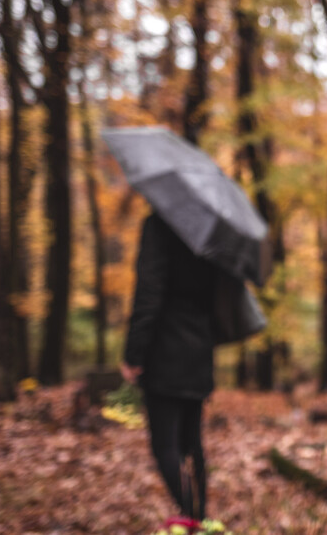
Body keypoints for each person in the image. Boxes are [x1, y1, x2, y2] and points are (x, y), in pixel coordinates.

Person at [120, 213, 218, 521]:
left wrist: (134, 353)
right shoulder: (208, 228)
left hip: (165, 350)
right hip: (200, 348)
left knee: (166, 445)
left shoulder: (159, 225)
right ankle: (201, 517)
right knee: (192, 443)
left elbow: (148, 293)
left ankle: (191, 517)